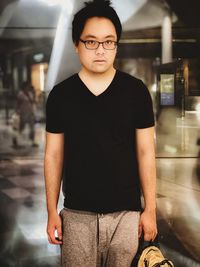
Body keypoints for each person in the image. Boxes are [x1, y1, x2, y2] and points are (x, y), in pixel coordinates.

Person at [44, 1, 157, 266]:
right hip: (76, 214)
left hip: (126, 215)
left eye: (109, 42)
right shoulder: (61, 96)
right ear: (76, 44)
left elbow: (146, 152)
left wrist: (150, 209)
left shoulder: (136, 92)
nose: (101, 50)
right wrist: (51, 211)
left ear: (117, 44)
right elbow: (53, 155)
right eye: (91, 42)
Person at [13, 81, 38, 147]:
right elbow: (17, 104)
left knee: (32, 128)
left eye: (28, 86)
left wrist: (34, 94)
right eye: (27, 86)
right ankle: (15, 139)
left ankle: (33, 141)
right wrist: (17, 111)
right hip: (23, 114)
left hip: (30, 113)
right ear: (24, 87)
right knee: (21, 128)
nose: (28, 87)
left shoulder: (30, 93)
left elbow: (33, 102)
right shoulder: (20, 94)